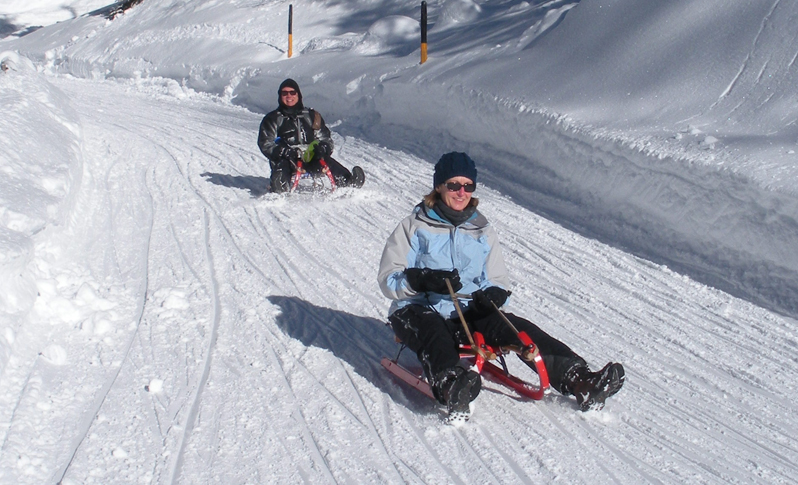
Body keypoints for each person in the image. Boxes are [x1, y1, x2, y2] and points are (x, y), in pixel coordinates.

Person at [377, 152, 624, 420]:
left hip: (468, 310)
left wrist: (494, 294)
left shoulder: (482, 229)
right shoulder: (414, 226)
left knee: (519, 329)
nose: (461, 192)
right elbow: (388, 278)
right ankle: (452, 386)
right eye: (454, 185)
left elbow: (497, 279)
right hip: (417, 308)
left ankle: (581, 380)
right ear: (439, 186)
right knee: (434, 332)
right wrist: (419, 280)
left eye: (468, 186)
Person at [257, 79, 365, 193]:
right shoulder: (273, 118)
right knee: (282, 167)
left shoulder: (311, 115)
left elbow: (325, 138)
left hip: (311, 157)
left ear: (298, 95)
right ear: (280, 96)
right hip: (287, 159)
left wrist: (323, 148)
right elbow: (265, 143)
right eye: (284, 93)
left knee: (326, 161)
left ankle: (348, 181)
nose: (289, 96)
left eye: (292, 92)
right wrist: (283, 152)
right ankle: (280, 186)